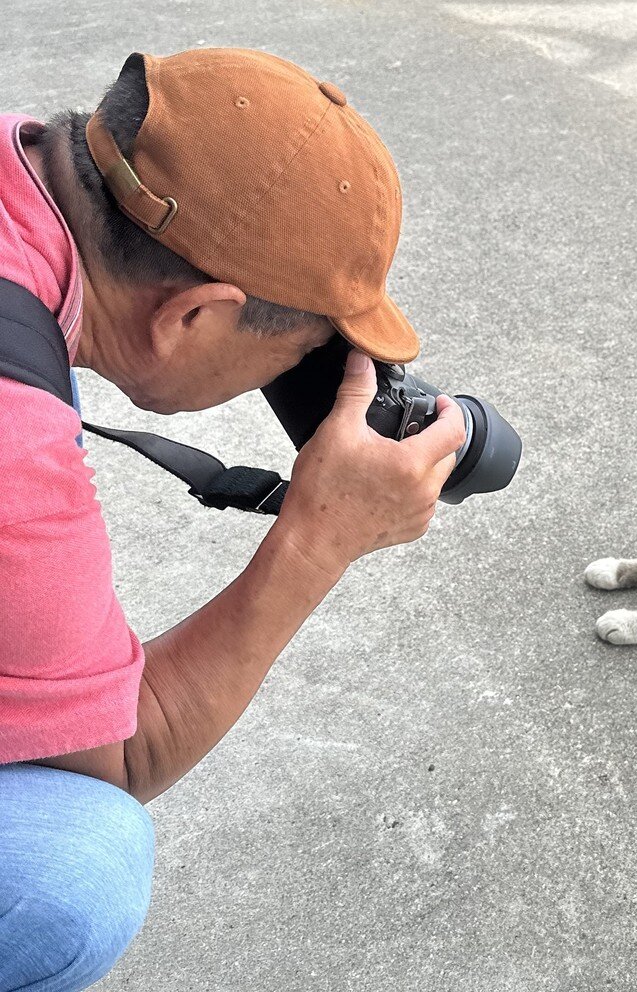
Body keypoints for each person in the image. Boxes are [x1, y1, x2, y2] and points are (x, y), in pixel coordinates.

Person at [0, 49, 465, 991]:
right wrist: (318, 539)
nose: (290, 376)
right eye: (297, 351)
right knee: (76, 864)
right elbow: (120, 749)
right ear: (191, 316)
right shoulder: (15, 454)